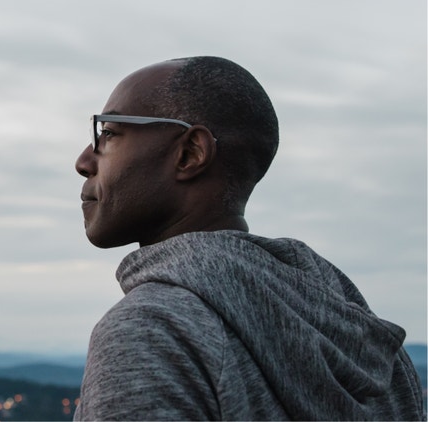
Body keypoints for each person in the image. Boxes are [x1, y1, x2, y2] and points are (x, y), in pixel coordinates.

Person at [73, 56, 425, 421]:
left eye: (109, 133)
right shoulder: (369, 345)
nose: (83, 161)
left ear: (190, 154)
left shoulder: (152, 330)